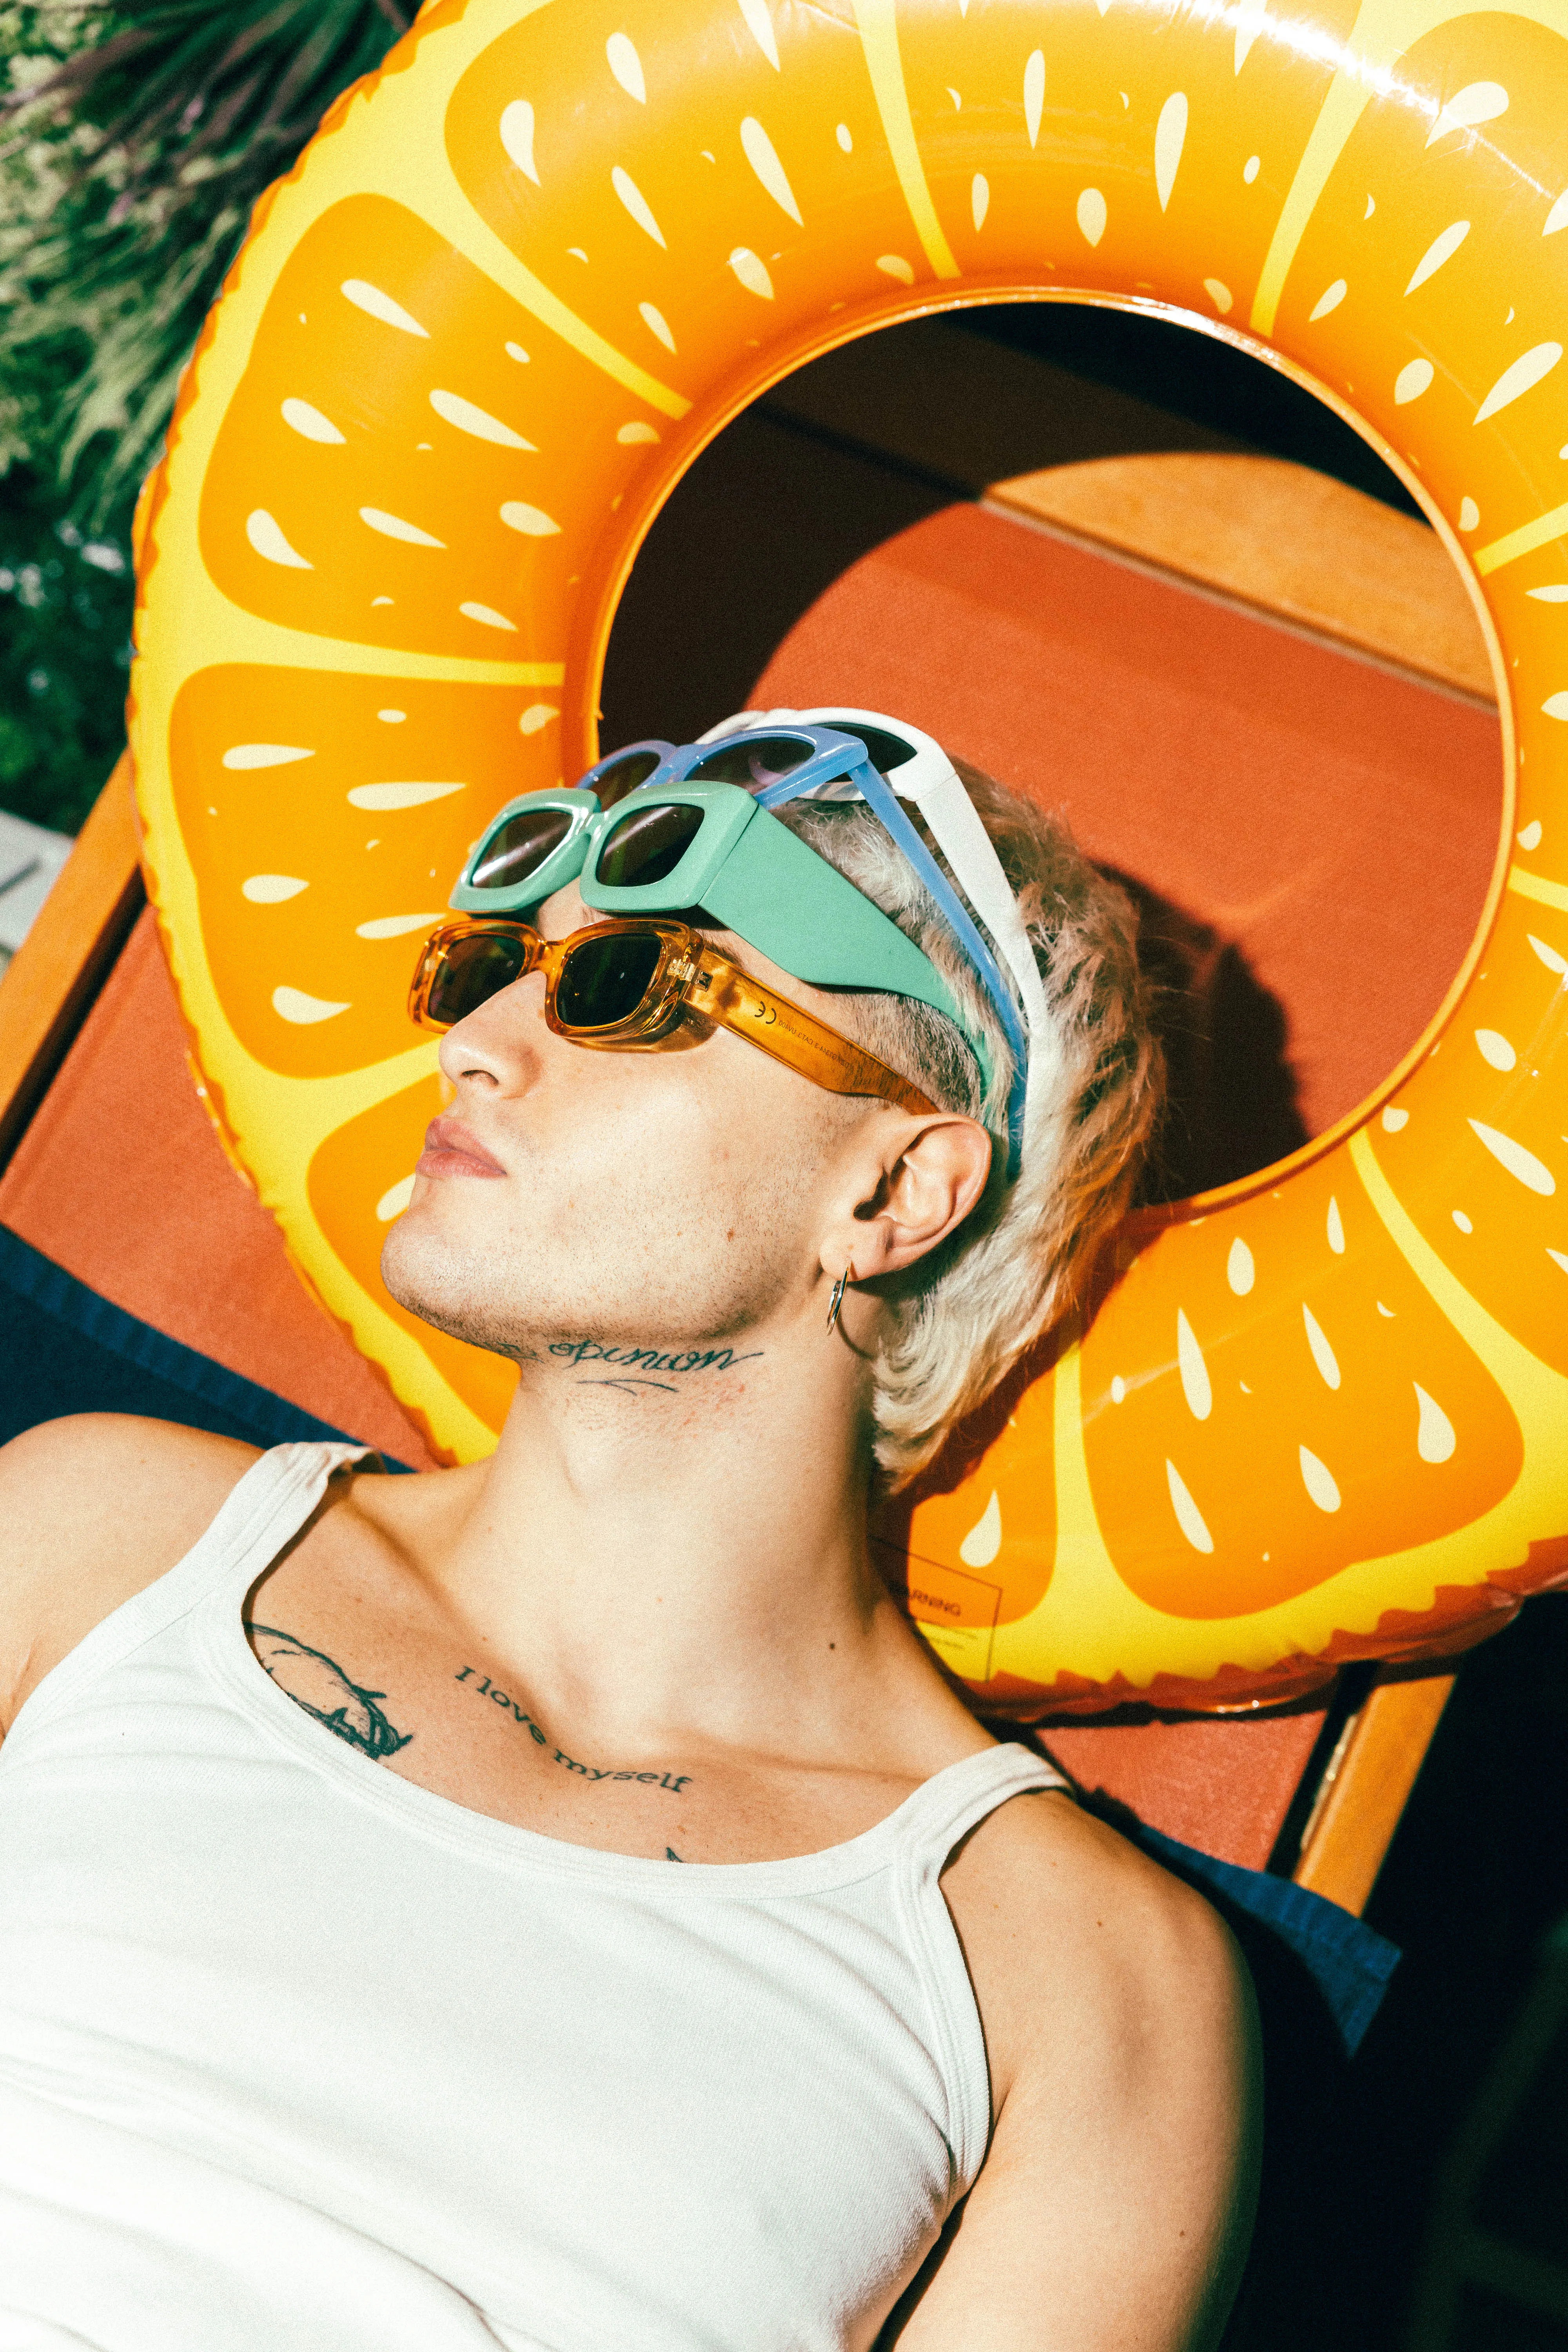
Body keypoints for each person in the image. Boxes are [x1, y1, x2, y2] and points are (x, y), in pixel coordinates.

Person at [0, 707, 1259, 2350]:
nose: (477, 1042)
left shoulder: (1078, 1978)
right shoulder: (105, 1531)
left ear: (893, 1193)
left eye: (630, 994)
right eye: (495, 973)